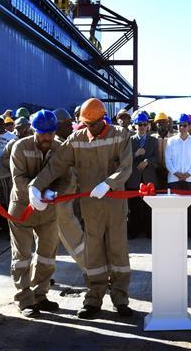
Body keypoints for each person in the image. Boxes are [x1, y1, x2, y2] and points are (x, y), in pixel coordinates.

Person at [30, 98, 133, 319]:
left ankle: (120, 299)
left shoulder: (120, 135)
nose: (89, 128)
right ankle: (93, 299)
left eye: (92, 124)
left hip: (115, 205)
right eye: (85, 124)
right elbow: (56, 165)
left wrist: (109, 183)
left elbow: (126, 167)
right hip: (90, 207)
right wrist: (35, 186)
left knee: (118, 251)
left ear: (103, 119)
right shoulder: (76, 140)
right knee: (93, 252)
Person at [10, 110, 74, 317]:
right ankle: (24, 299)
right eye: (43, 133)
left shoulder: (59, 148)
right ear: (34, 130)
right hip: (22, 209)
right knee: (22, 256)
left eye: (51, 133)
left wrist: (52, 192)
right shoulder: (20, 147)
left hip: (48, 210)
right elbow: (18, 178)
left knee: (47, 255)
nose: (47, 137)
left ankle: (40, 295)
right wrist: (33, 192)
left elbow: (66, 178)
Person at [166, 113, 191, 236]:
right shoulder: (171, 141)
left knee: (190, 206)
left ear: (189, 126)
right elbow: (168, 160)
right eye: (180, 125)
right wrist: (176, 173)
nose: (182, 127)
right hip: (174, 179)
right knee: (174, 206)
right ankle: (175, 231)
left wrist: (188, 174)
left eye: (184, 125)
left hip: (189, 179)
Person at [126, 111, 157, 239]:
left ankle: (149, 231)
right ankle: (134, 231)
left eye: (144, 124)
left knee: (149, 207)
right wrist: (135, 154)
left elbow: (157, 157)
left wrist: (147, 161)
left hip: (148, 178)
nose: (142, 127)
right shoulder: (129, 140)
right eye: (140, 124)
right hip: (134, 178)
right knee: (134, 207)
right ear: (135, 126)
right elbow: (124, 159)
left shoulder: (153, 140)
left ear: (148, 125)